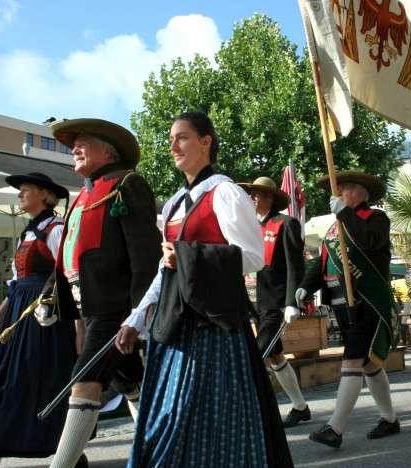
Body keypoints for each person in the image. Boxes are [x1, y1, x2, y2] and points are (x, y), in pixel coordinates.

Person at [116, 111, 293, 467]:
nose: (173, 146)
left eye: (181, 137)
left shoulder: (225, 192)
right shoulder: (172, 205)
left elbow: (253, 256)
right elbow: (165, 269)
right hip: (175, 326)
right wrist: (136, 317)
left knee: (204, 420)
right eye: (171, 139)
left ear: (206, 142)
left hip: (215, 328)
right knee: (167, 419)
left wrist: (188, 256)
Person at [47, 118, 162, 468]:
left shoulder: (126, 183)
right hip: (88, 306)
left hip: (116, 307)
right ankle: (160, 445)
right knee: (129, 379)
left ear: (107, 151)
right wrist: (51, 296)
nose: (74, 149)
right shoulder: (81, 194)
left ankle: (61, 465)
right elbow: (69, 249)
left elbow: (145, 254)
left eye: (83, 142)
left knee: (84, 379)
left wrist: (140, 310)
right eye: (73, 145)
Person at [0, 173, 76, 468]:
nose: (20, 195)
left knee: (37, 382)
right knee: (4, 381)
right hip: (19, 311)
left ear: (44, 195)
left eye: (25, 191)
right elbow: (16, 282)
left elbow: (71, 277)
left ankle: (67, 449)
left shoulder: (55, 229)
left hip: (45, 316)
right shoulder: (27, 233)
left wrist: (79, 325)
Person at [295, 170, 400, 448]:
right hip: (340, 303)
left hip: (366, 302)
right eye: (339, 190)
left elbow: (368, 242)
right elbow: (321, 263)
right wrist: (307, 285)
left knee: (352, 360)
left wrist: (345, 215)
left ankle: (335, 428)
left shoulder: (376, 219)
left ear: (363, 193)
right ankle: (389, 419)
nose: (340, 194)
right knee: (367, 363)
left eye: (347, 189)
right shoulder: (334, 228)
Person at [238, 176, 310, 427]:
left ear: (269, 197)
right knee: (275, 356)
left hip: (277, 302)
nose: (252, 198)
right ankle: (300, 407)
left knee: (258, 356)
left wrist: (292, 301)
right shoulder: (249, 227)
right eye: (251, 195)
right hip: (256, 302)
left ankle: (256, 414)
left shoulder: (286, 224)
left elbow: (295, 265)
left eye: (257, 195)